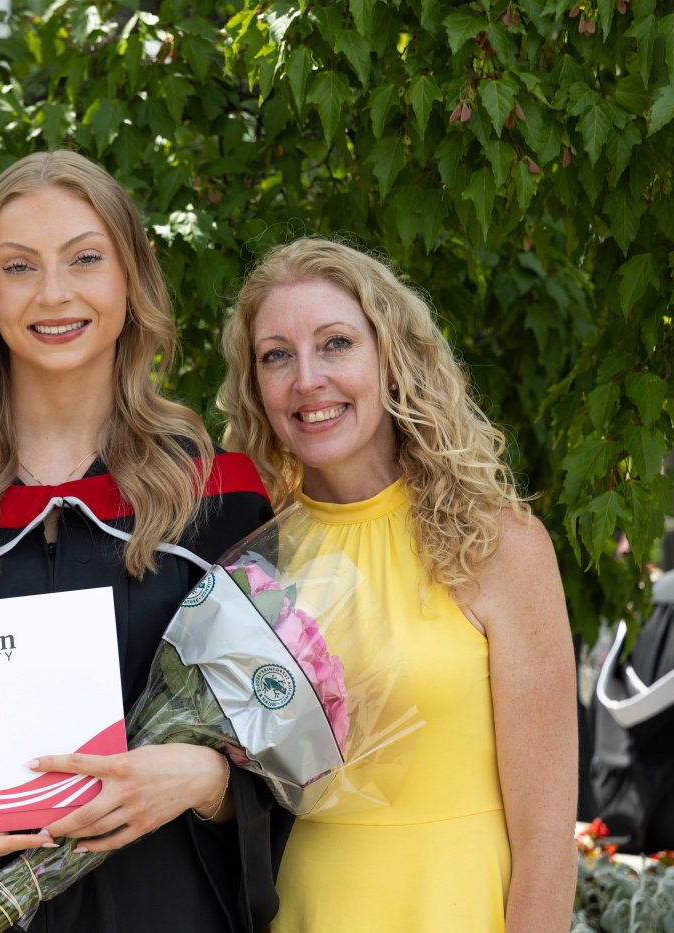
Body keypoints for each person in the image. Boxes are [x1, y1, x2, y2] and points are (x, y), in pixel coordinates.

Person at [0, 150, 292, 933]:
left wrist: (211, 780)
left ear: (130, 279)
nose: (54, 293)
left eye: (85, 259)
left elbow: (275, 745)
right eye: (19, 266)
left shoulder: (218, 496)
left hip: (167, 909)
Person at [217, 237, 577, 931]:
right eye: (277, 355)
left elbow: (546, 842)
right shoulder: (254, 562)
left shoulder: (501, 546)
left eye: (336, 343)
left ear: (392, 357)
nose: (307, 379)